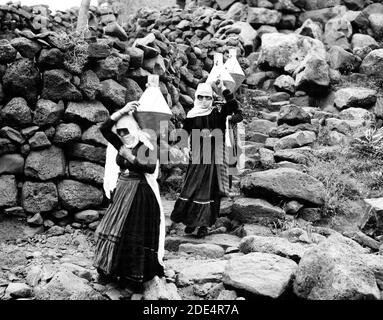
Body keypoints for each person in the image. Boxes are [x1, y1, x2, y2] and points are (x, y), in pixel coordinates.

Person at [93, 101, 165, 292]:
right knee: (112, 229)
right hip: (122, 190)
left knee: (133, 234)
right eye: (120, 132)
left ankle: (132, 278)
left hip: (140, 194)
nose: (123, 135)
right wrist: (122, 112)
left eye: (126, 131)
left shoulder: (146, 145)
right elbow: (104, 128)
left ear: (134, 129)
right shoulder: (120, 143)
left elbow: (150, 168)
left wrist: (131, 157)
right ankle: (110, 271)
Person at [170, 82, 243, 238]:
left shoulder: (218, 112)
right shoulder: (191, 115)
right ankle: (191, 220)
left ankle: (204, 225)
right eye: (201, 97)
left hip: (216, 157)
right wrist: (184, 148)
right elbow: (184, 133)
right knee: (192, 187)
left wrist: (223, 88)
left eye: (207, 97)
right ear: (197, 97)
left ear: (212, 98)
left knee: (211, 190)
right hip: (197, 156)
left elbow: (235, 108)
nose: (204, 101)